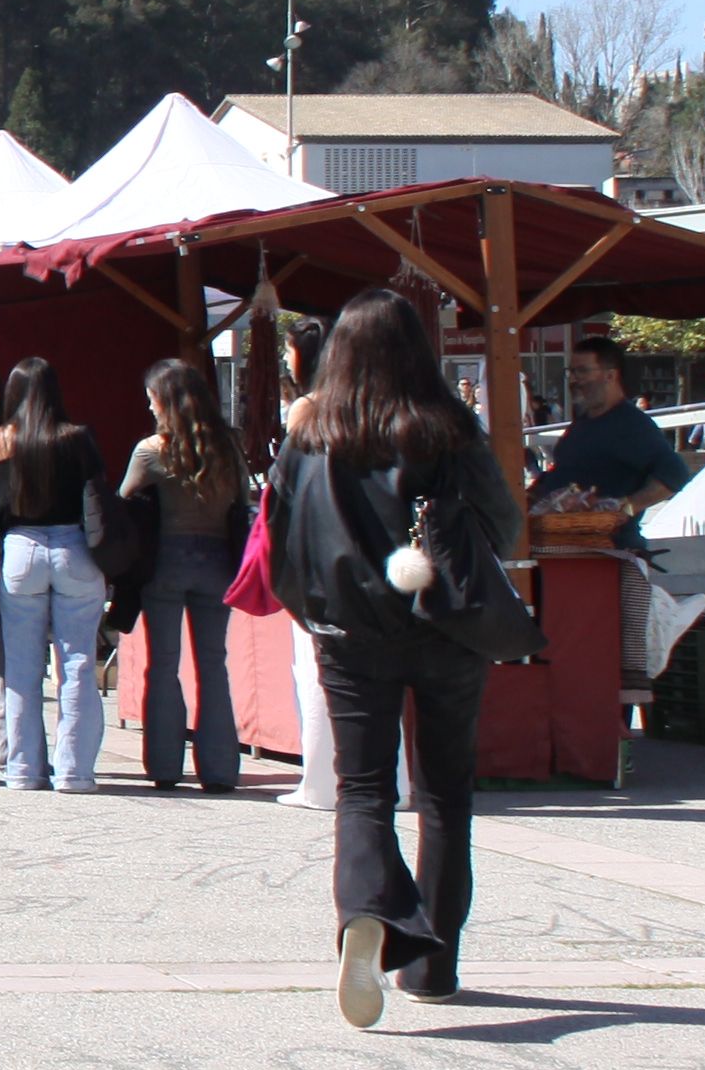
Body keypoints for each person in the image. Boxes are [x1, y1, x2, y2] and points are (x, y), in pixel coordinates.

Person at [274, 286, 520, 1023]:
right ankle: (433, 969)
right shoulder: (448, 426)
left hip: (350, 632)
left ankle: (366, 912)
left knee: (362, 790)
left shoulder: (311, 433)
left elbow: (280, 539)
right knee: (445, 795)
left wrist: (316, 615)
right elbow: (503, 524)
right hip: (443, 626)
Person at [120, 355, 248, 794]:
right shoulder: (228, 446)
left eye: (151, 398)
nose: (148, 405)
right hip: (218, 561)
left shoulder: (151, 450)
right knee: (214, 664)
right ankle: (220, 769)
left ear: (164, 400)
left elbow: (124, 502)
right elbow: (242, 501)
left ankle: (164, 765)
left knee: (163, 664)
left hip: (166, 562)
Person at [0, 356, 108, 790]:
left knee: (21, 667)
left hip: (21, 549)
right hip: (74, 547)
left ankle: (23, 769)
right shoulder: (78, 438)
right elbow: (98, 497)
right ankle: (75, 770)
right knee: (77, 663)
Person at [533, 339, 684, 542]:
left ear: (610, 375)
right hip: (566, 545)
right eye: (571, 372)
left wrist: (626, 507)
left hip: (609, 550)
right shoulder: (583, 422)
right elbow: (564, 473)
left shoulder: (630, 424)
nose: (574, 380)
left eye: (582, 371)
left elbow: (676, 474)